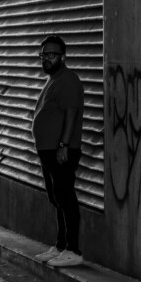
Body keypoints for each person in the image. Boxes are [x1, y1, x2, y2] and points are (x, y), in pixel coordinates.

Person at [32, 35, 85, 267]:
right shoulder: (53, 79)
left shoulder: (68, 79)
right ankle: (61, 245)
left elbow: (71, 114)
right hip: (49, 150)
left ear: (63, 57)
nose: (46, 59)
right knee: (56, 197)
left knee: (65, 196)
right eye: (43, 55)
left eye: (51, 55)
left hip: (61, 151)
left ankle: (73, 249)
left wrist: (64, 145)